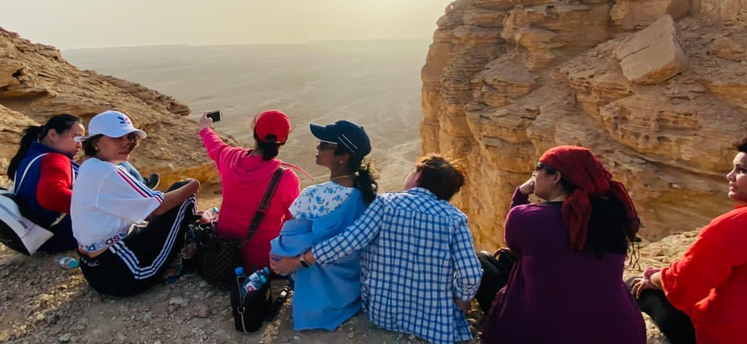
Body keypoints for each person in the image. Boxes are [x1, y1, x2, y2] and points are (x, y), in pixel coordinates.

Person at [272, 154, 481, 344]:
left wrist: (299, 261)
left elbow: (347, 242)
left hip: (383, 314)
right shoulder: (455, 219)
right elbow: (470, 274)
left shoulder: (386, 204)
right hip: (435, 323)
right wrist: (461, 301)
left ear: (420, 176)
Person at [480, 145, 645, 344]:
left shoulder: (526, 218)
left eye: (537, 169)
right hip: (621, 332)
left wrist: (521, 194)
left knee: (483, 261)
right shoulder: (611, 216)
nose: (534, 175)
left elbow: (514, 243)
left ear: (556, 177)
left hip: (551, 332)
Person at [630, 139, 747, 344]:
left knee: (634, 287)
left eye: (741, 170)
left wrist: (654, 278)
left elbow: (683, 283)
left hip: (726, 335)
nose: (729, 176)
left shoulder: (735, 225)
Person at [71, 111, 199, 297]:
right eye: (117, 137)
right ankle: (178, 261)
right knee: (185, 192)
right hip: (125, 273)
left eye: (130, 137)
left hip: (94, 268)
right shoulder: (108, 172)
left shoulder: (89, 167)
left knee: (173, 198)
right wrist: (194, 185)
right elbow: (159, 207)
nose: (127, 143)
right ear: (95, 142)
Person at [270, 120, 376, 330]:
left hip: (319, 291)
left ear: (343, 157)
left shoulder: (312, 196)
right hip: (352, 288)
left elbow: (285, 246)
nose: (318, 148)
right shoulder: (369, 195)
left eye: (325, 145)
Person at [198, 110, 301, 273]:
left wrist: (205, 129)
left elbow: (215, 145)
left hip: (223, 255)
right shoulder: (285, 178)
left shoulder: (230, 158)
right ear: (283, 141)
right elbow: (294, 221)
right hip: (262, 263)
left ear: (254, 133)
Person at [6, 114, 85, 253]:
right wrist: (96, 205)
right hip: (52, 238)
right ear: (53, 135)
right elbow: (52, 196)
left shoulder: (31, 156)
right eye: (76, 137)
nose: (80, 144)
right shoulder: (55, 160)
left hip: (31, 236)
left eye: (82, 139)